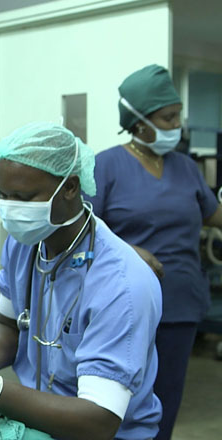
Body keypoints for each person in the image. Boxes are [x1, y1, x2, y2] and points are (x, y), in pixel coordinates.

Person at [0, 122, 163, 440]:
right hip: (36, 424)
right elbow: (9, 326)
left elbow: (98, 421)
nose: (9, 208)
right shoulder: (24, 244)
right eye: (2, 195)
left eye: (22, 196)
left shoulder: (122, 286)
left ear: (71, 187)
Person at [85, 64, 222, 439]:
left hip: (179, 303)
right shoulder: (106, 165)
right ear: (139, 121)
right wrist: (130, 251)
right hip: (123, 304)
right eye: (168, 117)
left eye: (178, 115)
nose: (178, 123)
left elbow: (214, 215)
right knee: (117, 400)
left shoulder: (186, 167)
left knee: (167, 400)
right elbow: (82, 230)